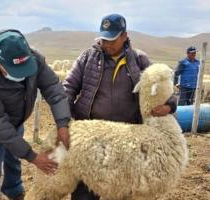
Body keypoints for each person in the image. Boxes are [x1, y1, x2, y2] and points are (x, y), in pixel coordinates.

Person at [63, 14, 177, 200]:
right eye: (103, 39)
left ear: (124, 36)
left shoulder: (139, 59)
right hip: (92, 138)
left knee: (123, 189)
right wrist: (65, 121)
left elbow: (163, 87)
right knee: (85, 189)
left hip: (127, 143)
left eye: (112, 40)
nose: (106, 44)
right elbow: (68, 88)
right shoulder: (87, 58)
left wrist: (170, 105)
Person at [0, 30, 71, 200]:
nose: (22, 75)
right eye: (15, 70)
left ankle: (14, 190)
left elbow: (54, 89)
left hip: (16, 118)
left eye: (25, 68)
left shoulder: (35, 59)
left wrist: (63, 123)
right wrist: (33, 157)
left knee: (13, 157)